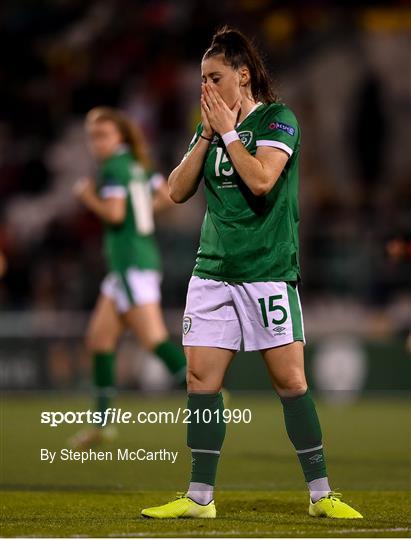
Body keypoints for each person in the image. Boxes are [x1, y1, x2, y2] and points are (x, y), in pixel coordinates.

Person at [141, 27, 362, 519]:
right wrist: (205, 134)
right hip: (213, 271)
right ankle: (200, 497)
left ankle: (322, 493)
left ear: (243, 75)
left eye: (214, 77)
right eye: (201, 79)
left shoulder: (278, 120)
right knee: (200, 380)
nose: (206, 88)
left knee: (290, 382)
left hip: (266, 271)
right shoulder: (211, 128)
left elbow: (262, 180)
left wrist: (228, 134)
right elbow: (176, 191)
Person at [70, 107, 186, 448]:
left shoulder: (113, 168)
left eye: (103, 135)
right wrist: (143, 215)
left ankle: (209, 399)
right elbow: (166, 196)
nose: (97, 143)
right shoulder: (138, 166)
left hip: (132, 264)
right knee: (99, 341)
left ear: (119, 136)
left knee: (153, 339)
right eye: (93, 136)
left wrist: (87, 196)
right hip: (128, 266)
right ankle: (103, 424)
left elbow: (115, 213)